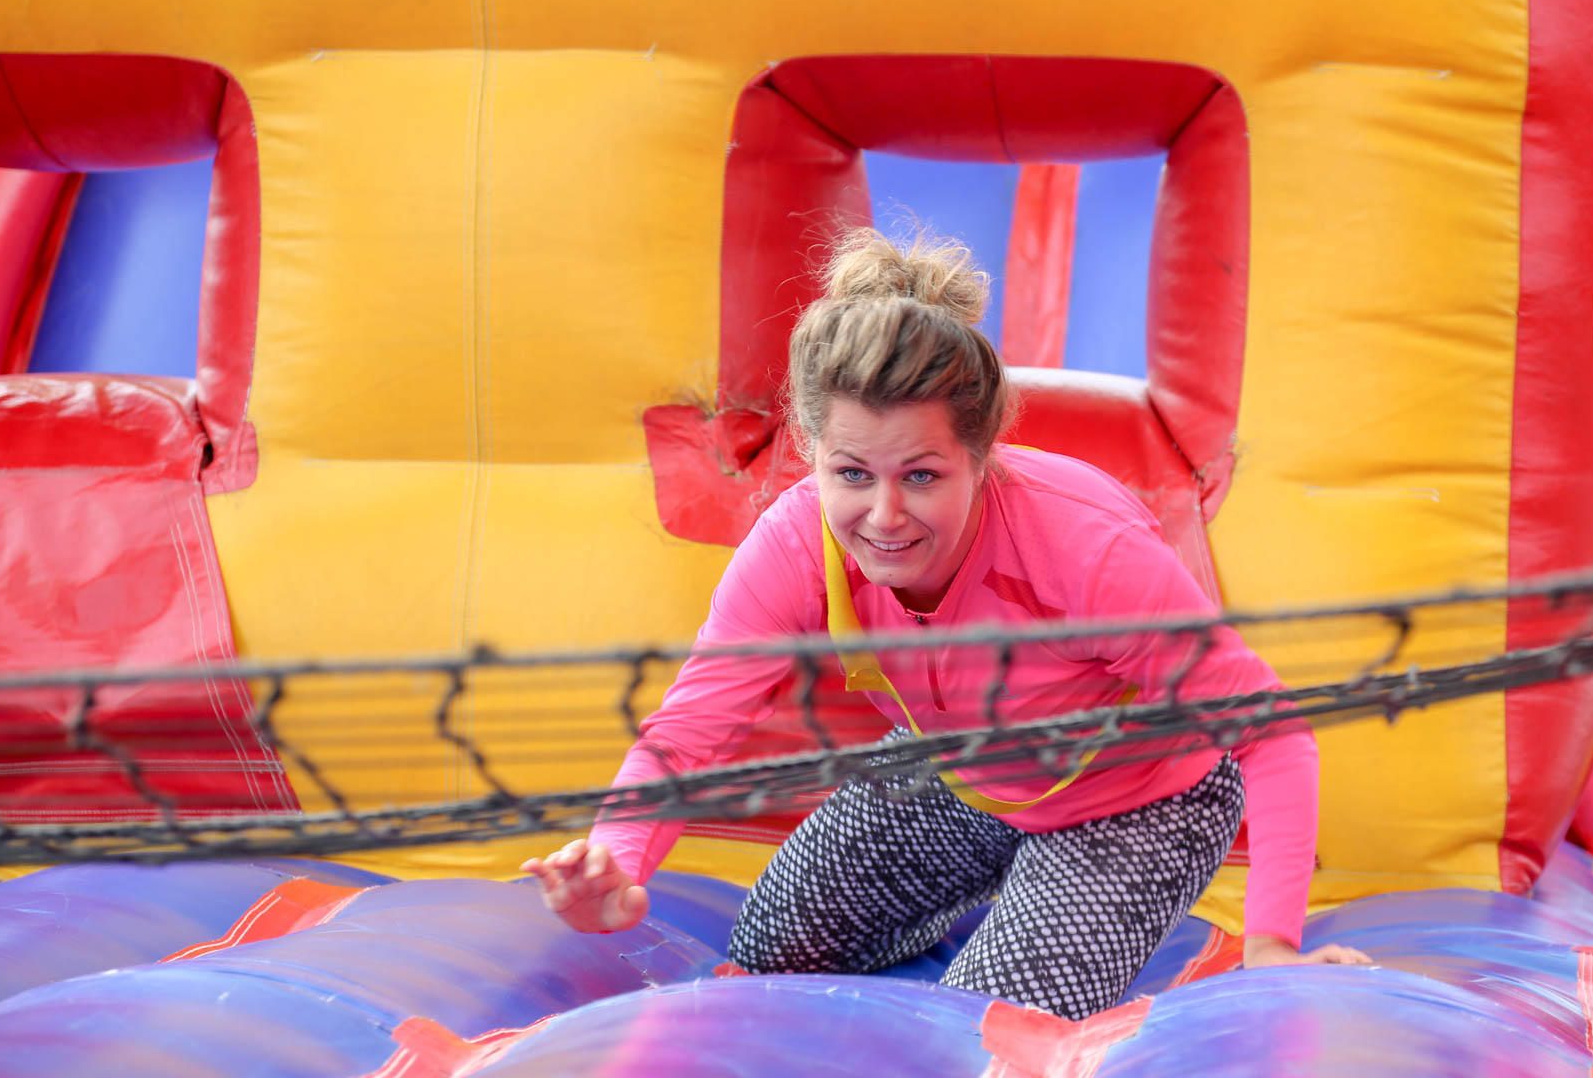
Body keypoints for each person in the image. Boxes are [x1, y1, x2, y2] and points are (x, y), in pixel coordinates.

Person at [525, 229, 1366, 1019]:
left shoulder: (1086, 549)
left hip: (1138, 800)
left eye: (922, 476)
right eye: (852, 474)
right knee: (774, 949)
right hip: (963, 764)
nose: (884, 516)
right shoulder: (797, 541)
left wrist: (1273, 946)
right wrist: (616, 861)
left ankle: (1046, 907)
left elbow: (1273, 732)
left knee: (982, 1030)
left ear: (980, 455)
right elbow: (690, 729)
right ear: (814, 453)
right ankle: (986, 891)